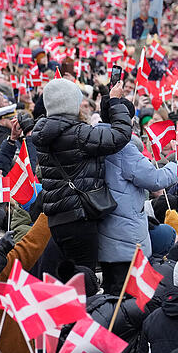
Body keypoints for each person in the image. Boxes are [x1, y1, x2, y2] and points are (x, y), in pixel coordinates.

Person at [31, 79, 132, 268]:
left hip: (57, 219)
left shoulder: (43, 133)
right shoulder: (78, 133)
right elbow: (120, 135)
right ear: (72, 104)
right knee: (83, 279)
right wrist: (116, 103)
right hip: (79, 218)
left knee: (65, 278)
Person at [97, 99, 177, 295]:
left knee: (111, 290)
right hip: (125, 236)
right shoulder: (123, 148)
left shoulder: (94, 139)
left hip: (104, 230)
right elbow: (155, 180)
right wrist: (176, 165)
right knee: (127, 296)